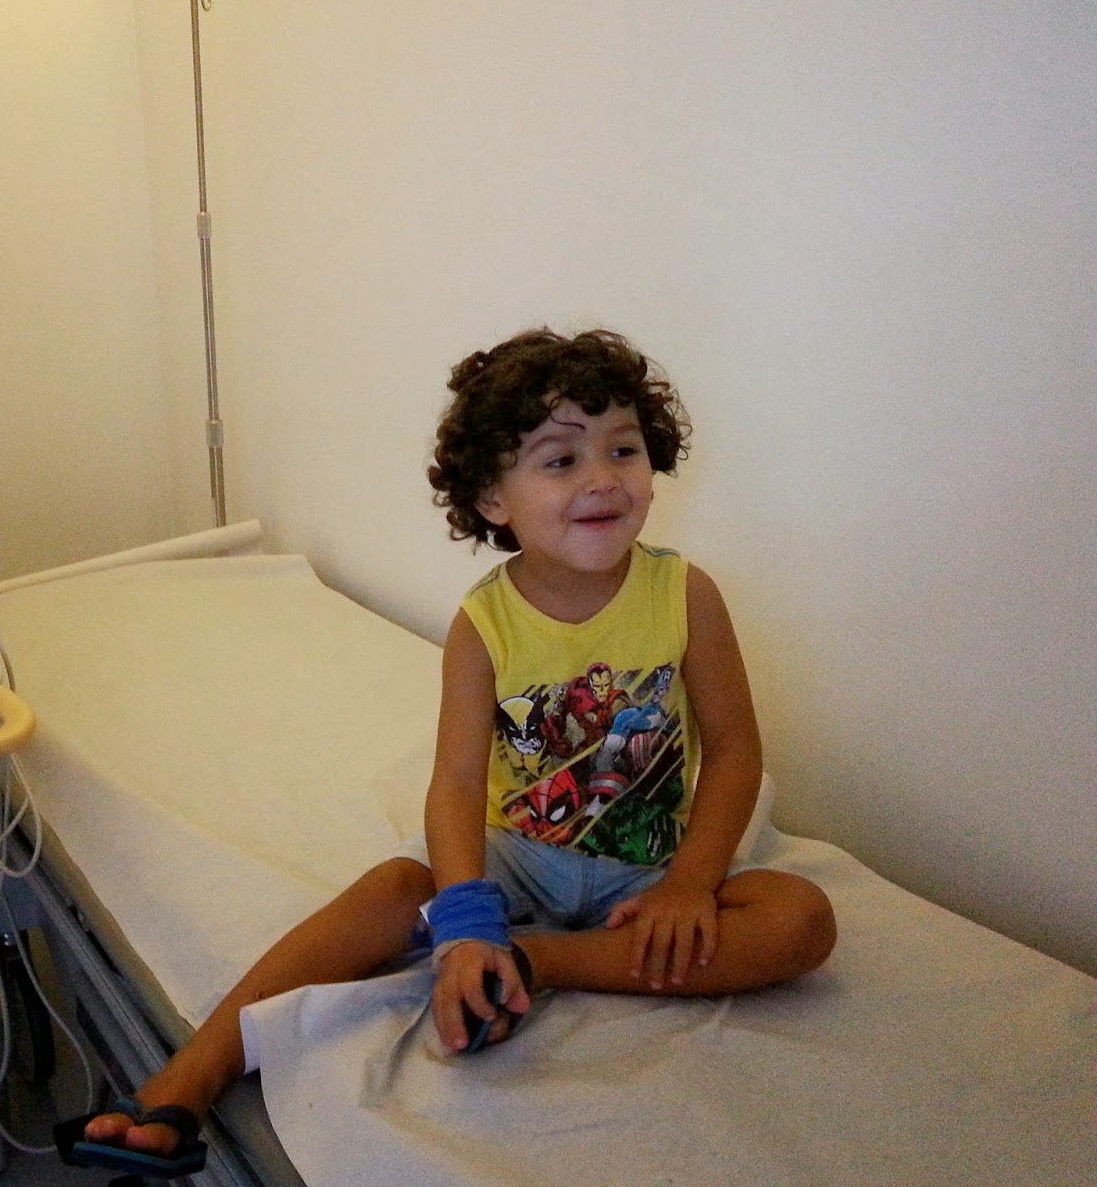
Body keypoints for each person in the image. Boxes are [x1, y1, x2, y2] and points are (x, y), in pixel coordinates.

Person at [75, 326, 837, 1169]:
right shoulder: (485, 624)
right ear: (493, 499)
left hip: (647, 866)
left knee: (800, 921)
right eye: (560, 461)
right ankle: (187, 1077)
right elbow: (458, 783)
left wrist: (689, 886)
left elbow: (733, 752)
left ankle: (541, 962)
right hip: (518, 855)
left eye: (623, 449)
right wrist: (467, 921)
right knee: (391, 888)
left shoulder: (685, 595)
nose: (601, 478)